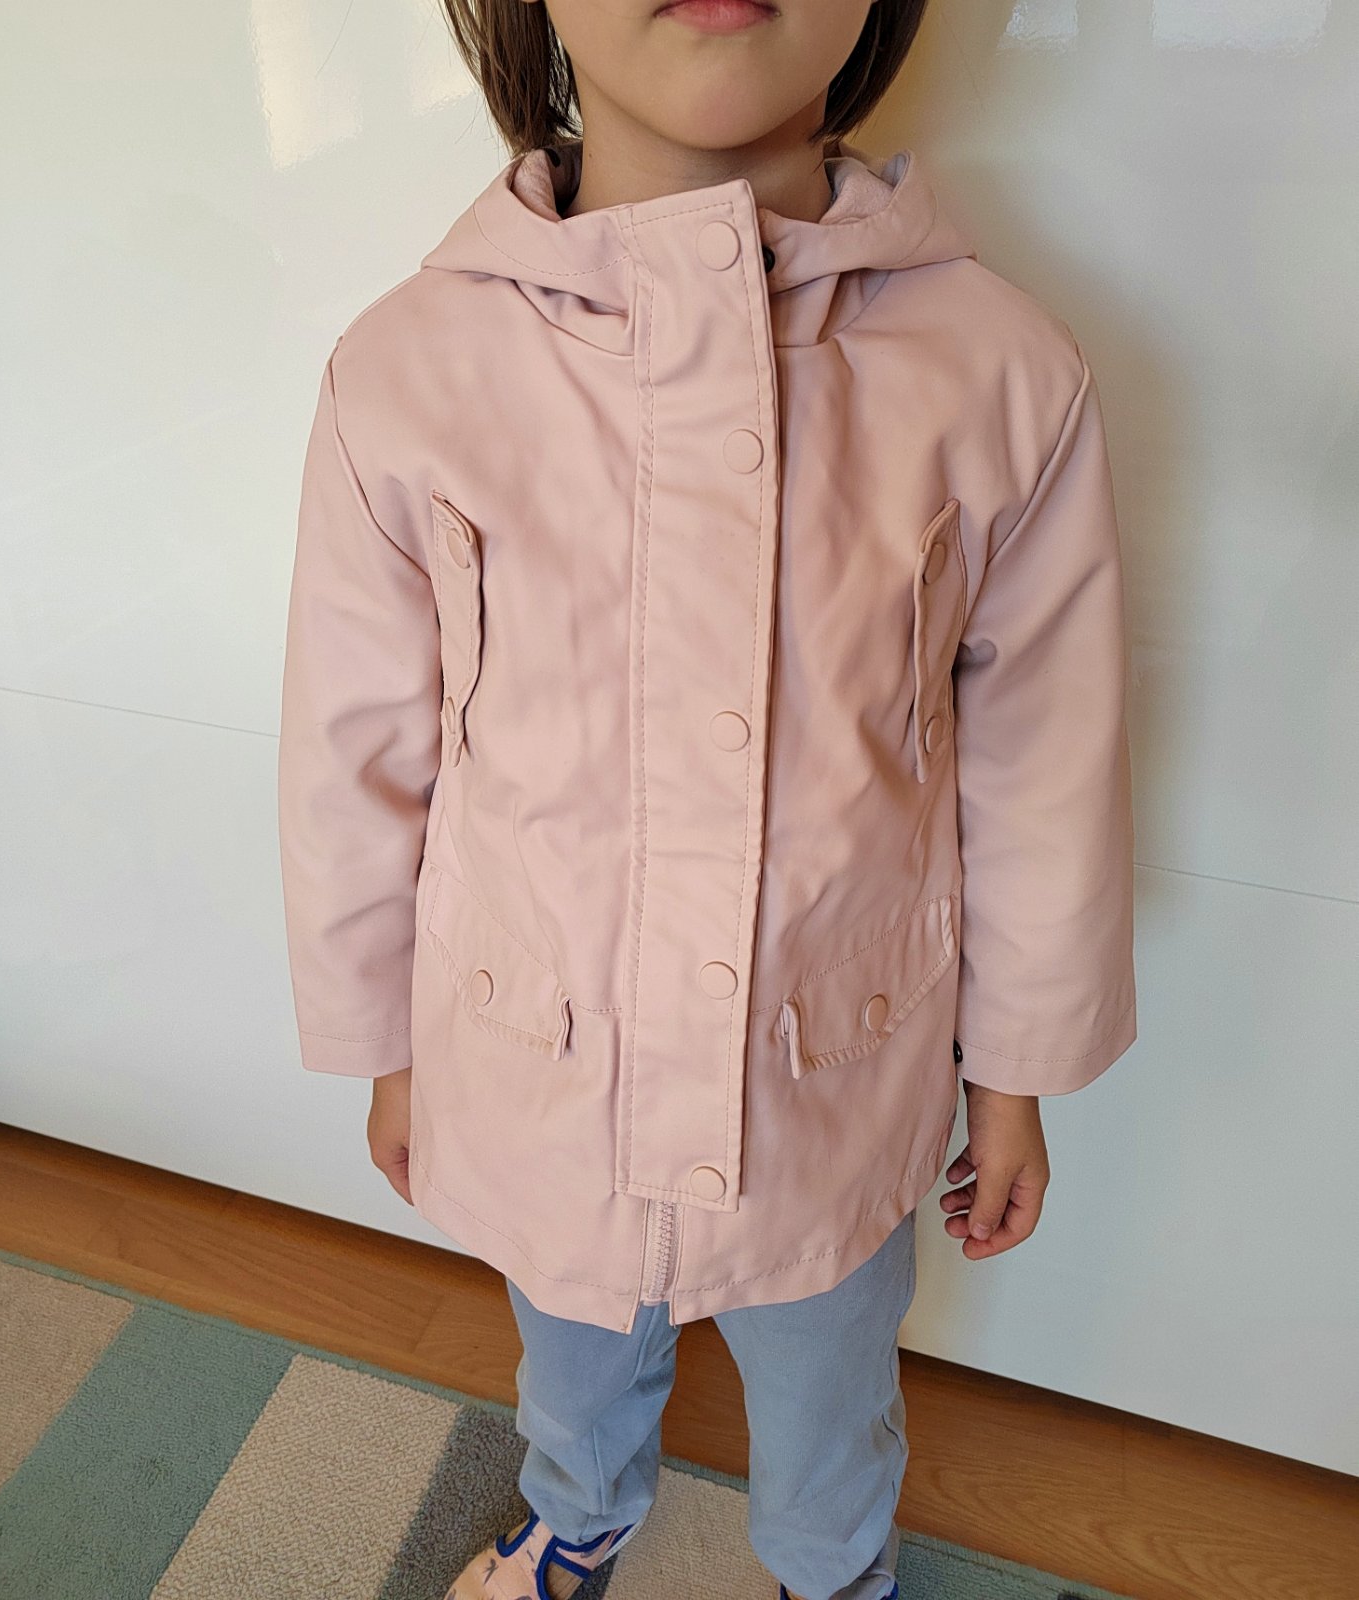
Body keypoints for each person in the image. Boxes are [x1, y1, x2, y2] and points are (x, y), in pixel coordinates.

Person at [276, 2, 1138, 1597]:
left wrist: (1015, 1074)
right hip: (536, 1052)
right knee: (569, 1337)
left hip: (834, 1069)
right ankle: (581, 1502)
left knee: (831, 1380)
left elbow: (1046, 766)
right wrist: (388, 1039)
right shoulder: (409, 370)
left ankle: (834, 1568)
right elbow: (357, 752)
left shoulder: (998, 372)